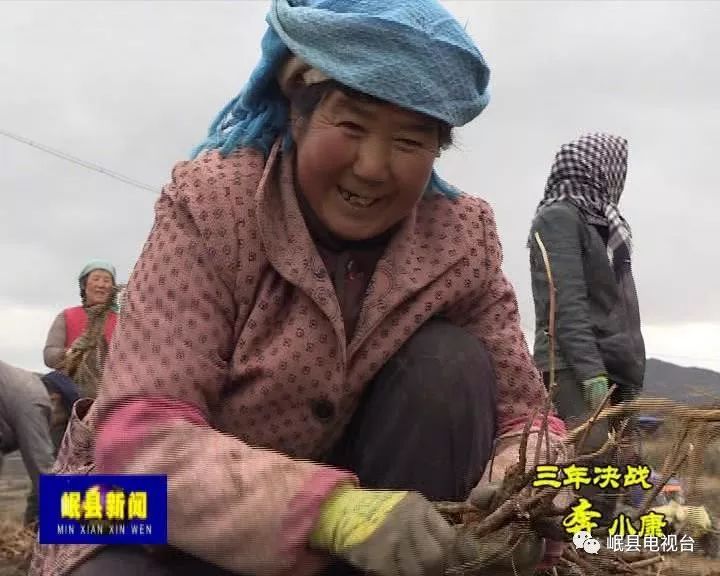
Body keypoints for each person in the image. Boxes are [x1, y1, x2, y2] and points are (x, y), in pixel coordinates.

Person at [31, 2, 567, 575]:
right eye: (352, 126)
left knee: (450, 362)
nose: (372, 166)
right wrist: (329, 513)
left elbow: (524, 415)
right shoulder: (212, 202)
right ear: (297, 110)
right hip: (122, 498)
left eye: (410, 141)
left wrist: (527, 481)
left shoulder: (459, 239)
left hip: (349, 511)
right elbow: (140, 437)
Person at [528, 132, 645, 518]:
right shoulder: (559, 217)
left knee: (618, 470)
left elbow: (621, 308)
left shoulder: (605, 224)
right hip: (572, 367)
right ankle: (574, 554)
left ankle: (598, 554)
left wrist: (627, 374)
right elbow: (566, 306)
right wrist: (593, 378)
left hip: (613, 364)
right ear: (600, 169)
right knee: (592, 466)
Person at [0, 360, 78, 525]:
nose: (51, 426)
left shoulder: (19, 387)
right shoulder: (35, 401)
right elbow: (42, 468)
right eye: (60, 420)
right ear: (55, 400)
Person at [43, 259, 119, 397]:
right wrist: (72, 353)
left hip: (113, 387)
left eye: (107, 281)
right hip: (71, 386)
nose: (101, 285)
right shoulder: (66, 316)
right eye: (96, 279)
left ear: (113, 288)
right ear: (84, 285)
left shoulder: (123, 321)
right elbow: (49, 355)